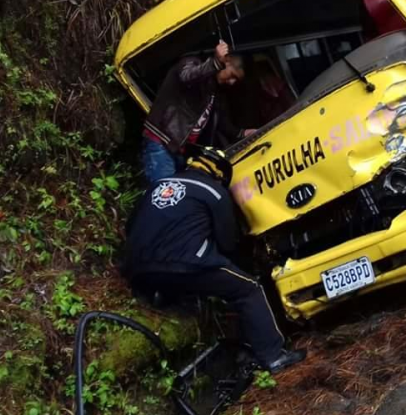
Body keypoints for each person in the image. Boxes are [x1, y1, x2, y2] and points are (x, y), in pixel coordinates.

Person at [123, 146, 306, 373]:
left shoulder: (157, 187)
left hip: (138, 269)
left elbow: (130, 226)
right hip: (188, 264)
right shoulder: (213, 192)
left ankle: (161, 295)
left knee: (181, 281)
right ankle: (274, 356)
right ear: (219, 174)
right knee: (248, 289)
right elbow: (228, 243)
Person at [141, 40, 251, 184]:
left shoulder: (213, 89)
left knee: (177, 195)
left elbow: (221, 122)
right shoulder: (191, 62)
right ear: (227, 61)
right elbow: (187, 76)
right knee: (166, 196)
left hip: (179, 149)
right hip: (162, 142)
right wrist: (216, 63)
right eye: (232, 75)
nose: (231, 82)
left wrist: (242, 133)